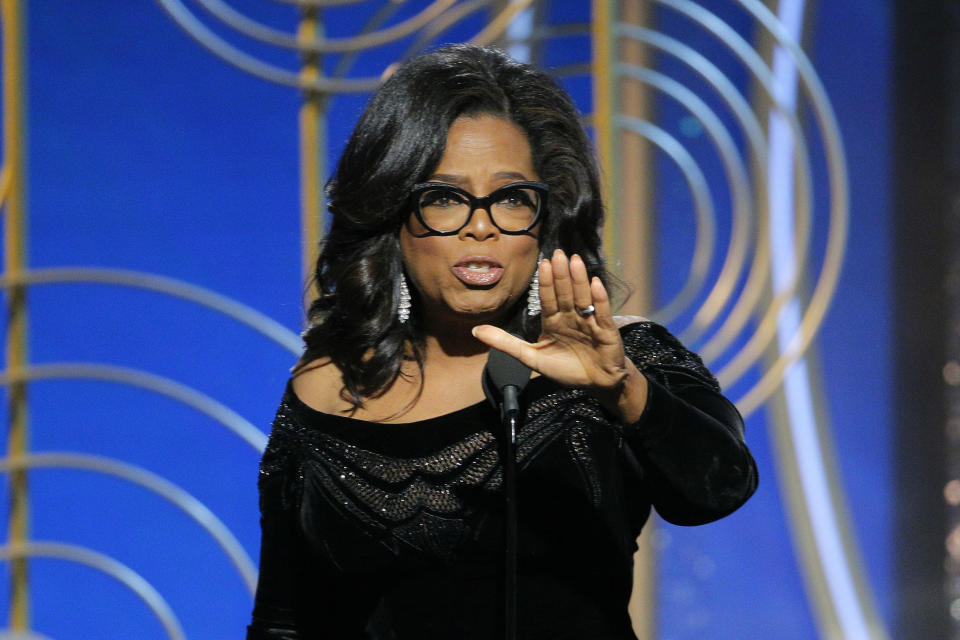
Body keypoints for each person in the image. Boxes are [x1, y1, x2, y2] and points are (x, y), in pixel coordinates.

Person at [246, 44, 757, 640]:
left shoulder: (623, 361)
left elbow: (718, 489)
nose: (481, 224)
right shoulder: (327, 385)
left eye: (513, 198)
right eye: (444, 197)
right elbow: (284, 621)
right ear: (391, 215)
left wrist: (623, 390)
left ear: (546, 220)